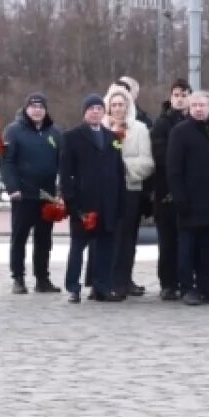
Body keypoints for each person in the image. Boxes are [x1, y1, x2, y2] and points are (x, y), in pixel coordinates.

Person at [167, 90, 209, 306]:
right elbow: (174, 169)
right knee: (187, 247)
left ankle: (208, 287)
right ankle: (187, 288)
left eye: (202, 105)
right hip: (189, 200)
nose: (198, 109)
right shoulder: (180, 132)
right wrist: (180, 198)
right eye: (194, 105)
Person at [60, 94, 127, 304]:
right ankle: (73, 287)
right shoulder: (72, 137)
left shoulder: (112, 137)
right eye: (91, 108)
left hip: (108, 202)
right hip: (84, 203)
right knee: (78, 247)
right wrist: (71, 201)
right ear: (84, 112)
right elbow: (65, 173)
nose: (95, 112)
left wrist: (121, 200)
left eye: (99, 108)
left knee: (106, 247)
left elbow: (119, 170)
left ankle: (102, 287)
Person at [1, 93, 63, 294]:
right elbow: (7, 162)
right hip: (23, 194)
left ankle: (42, 278)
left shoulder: (55, 133)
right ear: (26, 109)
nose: (37, 110)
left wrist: (61, 189)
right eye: (33, 107)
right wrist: (12, 187)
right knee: (19, 237)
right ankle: (18, 278)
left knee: (44, 238)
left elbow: (62, 162)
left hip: (47, 195)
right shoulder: (13, 131)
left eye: (41, 107)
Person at [104, 86, 154, 298]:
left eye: (121, 105)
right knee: (105, 236)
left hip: (130, 188)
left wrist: (123, 168)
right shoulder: (100, 128)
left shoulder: (140, 129)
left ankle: (123, 280)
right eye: (114, 105)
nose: (118, 109)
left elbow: (147, 162)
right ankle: (102, 281)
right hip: (105, 191)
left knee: (126, 237)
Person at [150, 80, 191, 300]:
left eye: (184, 95)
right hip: (165, 189)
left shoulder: (196, 121)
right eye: (176, 95)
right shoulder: (162, 123)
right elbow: (160, 155)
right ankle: (167, 283)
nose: (180, 99)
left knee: (187, 241)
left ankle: (186, 281)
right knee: (167, 241)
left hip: (191, 190)